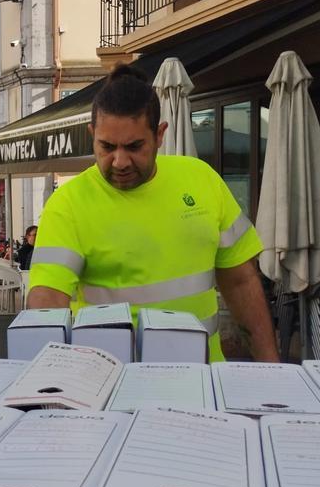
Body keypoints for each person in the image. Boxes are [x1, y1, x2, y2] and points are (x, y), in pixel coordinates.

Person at [26, 65, 279, 362]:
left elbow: (240, 281)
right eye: (107, 146)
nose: (120, 161)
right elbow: (47, 299)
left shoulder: (202, 180)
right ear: (92, 135)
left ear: (159, 135)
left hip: (201, 374)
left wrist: (270, 365)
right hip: (113, 380)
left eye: (134, 146)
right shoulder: (68, 204)